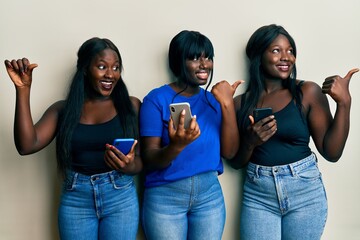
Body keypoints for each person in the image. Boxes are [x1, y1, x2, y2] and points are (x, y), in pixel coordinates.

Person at [4, 37, 142, 240]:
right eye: (102, 66)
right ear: (85, 69)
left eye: (116, 67)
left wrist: (129, 166)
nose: (110, 74)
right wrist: (23, 90)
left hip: (120, 198)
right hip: (76, 200)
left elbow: (143, 160)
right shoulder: (63, 110)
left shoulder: (131, 106)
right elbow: (26, 145)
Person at [230, 24, 359, 240]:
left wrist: (344, 103)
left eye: (290, 50)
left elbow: (332, 152)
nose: (286, 57)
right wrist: (251, 142)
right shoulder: (239, 104)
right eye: (276, 50)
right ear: (258, 56)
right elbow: (235, 163)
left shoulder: (307, 92)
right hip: (258, 196)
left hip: (305, 194)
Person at [139, 30, 243, 240]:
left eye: (208, 57)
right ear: (178, 61)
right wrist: (176, 145)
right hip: (165, 197)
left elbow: (230, 152)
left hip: (209, 197)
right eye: (195, 58)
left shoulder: (214, 100)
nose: (204, 64)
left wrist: (227, 103)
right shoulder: (156, 100)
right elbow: (149, 159)